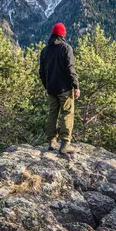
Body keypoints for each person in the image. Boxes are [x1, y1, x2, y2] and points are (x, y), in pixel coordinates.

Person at [39, 22, 80, 154]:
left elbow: (41, 71)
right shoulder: (66, 48)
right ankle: (65, 144)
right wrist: (76, 86)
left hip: (51, 88)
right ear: (63, 34)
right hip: (65, 89)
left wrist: (47, 85)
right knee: (67, 113)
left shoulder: (45, 50)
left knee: (52, 114)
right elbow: (70, 69)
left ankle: (51, 141)